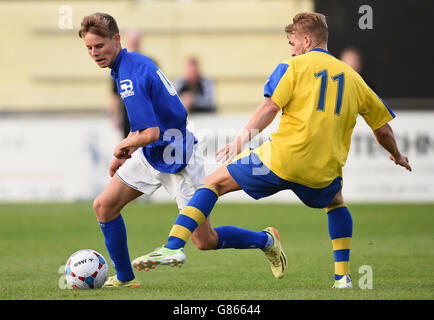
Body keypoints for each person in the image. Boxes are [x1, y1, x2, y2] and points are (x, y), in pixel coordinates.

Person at [134, 12, 412, 289]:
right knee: (336, 202)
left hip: (279, 161)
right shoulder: (354, 78)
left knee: (212, 183)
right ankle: (343, 278)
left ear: (305, 40)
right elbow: (383, 129)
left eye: (292, 43)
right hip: (322, 172)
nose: (291, 50)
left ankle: (173, 246)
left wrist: (241, 140)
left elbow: (270, 106)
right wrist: (397, 155)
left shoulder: (293, 67)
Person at [78, 12, 212, 287]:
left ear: (116, 40)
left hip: (178, 158)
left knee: (204, 240)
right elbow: (145, 125)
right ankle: (125, 279)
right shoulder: (128, 66)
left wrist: (122, 147)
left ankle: (265, 240)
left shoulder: (128, 74)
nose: (94, 53)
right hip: (152, 153)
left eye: (99, 46)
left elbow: (151, 132)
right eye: (89, 48)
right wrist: (127, 151)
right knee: (105, 206)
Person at [108, 29, 142, 138]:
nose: (134, 46)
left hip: (149, 117)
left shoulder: (149, 63)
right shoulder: (119, 67)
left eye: (136, 43)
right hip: (128, 118)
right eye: (132, 43)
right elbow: (114, 95)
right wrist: (114, 116)